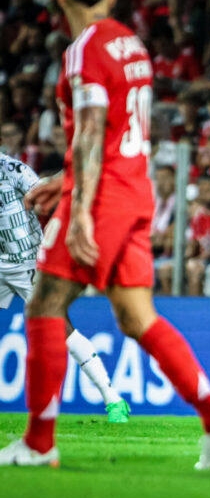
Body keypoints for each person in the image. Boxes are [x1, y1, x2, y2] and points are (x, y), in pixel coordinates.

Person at [0, 0, 210, 469]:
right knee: (137, 317)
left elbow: (90, 129)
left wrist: (80, 206)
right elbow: (120, 131)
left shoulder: (82, 49)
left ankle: (39, 445)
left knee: (44, 304)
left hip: (103, 198)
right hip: (135, 194)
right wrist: (66, 178)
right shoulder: (132, 45)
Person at [0, 155, 129, 422]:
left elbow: (46, 193)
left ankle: (112, 398)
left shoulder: (11, 169)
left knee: (60, 327)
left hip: (26, 260)